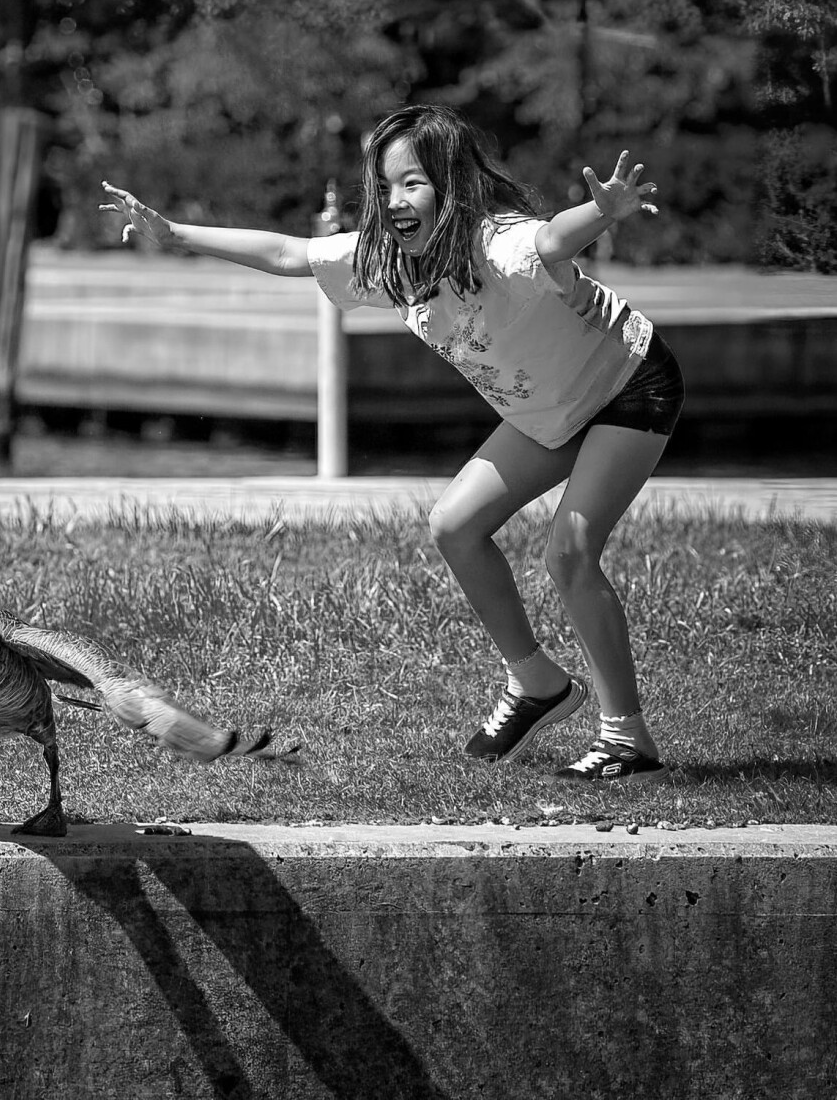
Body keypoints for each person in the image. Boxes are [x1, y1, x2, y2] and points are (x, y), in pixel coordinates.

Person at [99, 103, 683, 784]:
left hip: (626, 382)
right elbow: (288, 253)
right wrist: (173, 234)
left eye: (413, 182)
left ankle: (626, 739)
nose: (396, 199)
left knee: (570, 554)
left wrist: (603, 211)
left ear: (452, 184)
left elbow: (553, 239)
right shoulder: (387, 261)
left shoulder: (499, 244)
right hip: (547, 409)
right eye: (384, 185)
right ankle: (536, 684)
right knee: (455, 525)